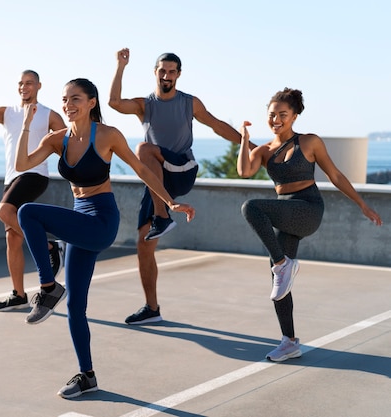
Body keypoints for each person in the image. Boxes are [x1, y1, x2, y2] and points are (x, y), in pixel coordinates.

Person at [15, 78, 195, 398]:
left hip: (100, 220)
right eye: (65, 99)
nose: (68, 105)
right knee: (76, 307)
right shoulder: (58, 139)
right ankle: (87, 375)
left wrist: (169, 203)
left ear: (91, 102)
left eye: (76, 99)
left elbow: (141, 168)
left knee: (28, 212)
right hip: (78, 219)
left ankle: (47, 286)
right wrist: (27, 125)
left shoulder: (108, 135)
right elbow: (22, 164)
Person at [237, 87, 383, 361]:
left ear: (294, 116)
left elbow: (336, 175)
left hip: (307, 209)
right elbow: (244, 171)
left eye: (283, 114)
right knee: (277, 281)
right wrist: (245, 139)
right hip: (286, 210)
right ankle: (289, 341)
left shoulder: (309, 141)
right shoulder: (264, 150)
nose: (276, 119)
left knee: (252, 208)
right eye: (272, 115)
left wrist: (362, 205)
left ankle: (283, 264)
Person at [109, 48, 249, 325]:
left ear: (179, 75)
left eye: (172, 71)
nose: (167, 75)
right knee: (143, 244)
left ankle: (163, 216)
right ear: (155, 73)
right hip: (158, 181)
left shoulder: (189, 102)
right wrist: (120, 65)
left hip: (183, 168)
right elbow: (113, 102)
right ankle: (152, 308)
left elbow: (217, 126)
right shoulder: (144, 104)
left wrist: (251, 146)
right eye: (162, 70)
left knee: (143, 149)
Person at [0, 66, 66, 312]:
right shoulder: (7, 113)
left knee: (3, 210)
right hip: (11, 178)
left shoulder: (49, 115)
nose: (24, 87)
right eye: (21, 83)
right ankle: (19, 294)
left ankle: (48, 246)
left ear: (39, 86)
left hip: (34, 174)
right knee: (12, 238)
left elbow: (68, 141)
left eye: (29, 83)